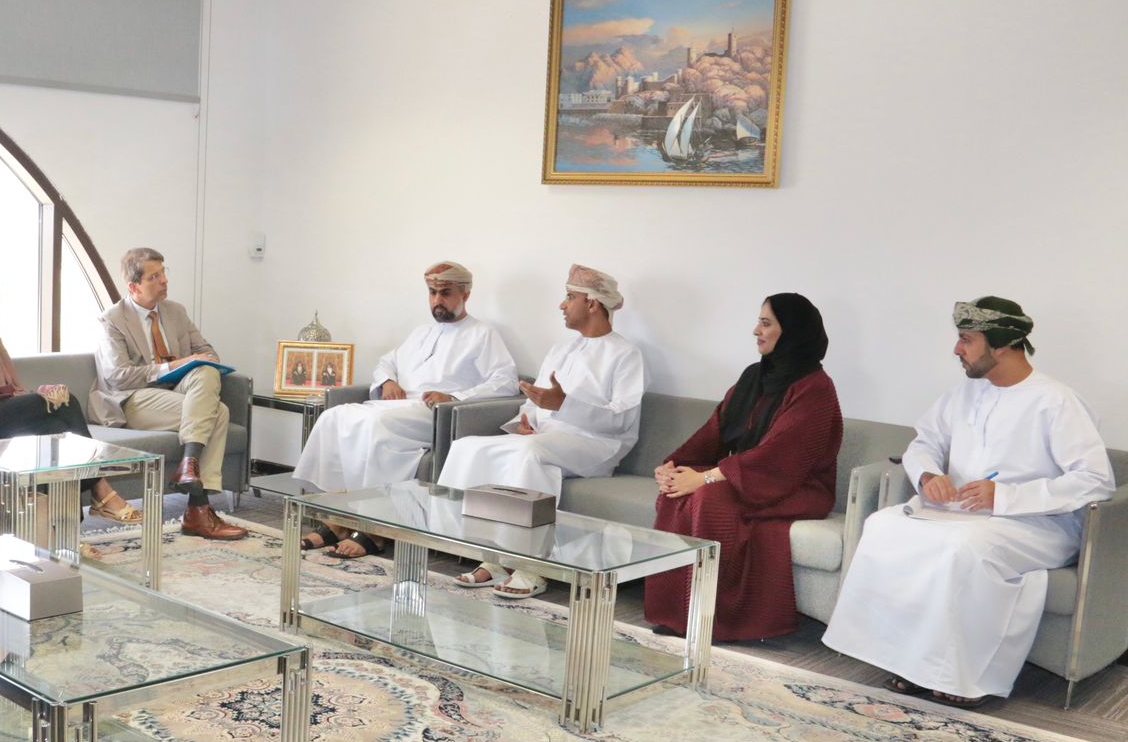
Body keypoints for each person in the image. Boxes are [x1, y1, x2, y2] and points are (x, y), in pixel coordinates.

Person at [822, 298, 1113, 708]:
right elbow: (924, 442)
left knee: (964, 548)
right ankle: (909, 661)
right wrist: (927, 474)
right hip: (962, 513)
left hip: (1039, 523)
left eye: (966, 340)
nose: (957, 350)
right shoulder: (965, 393)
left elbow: (1095, 480)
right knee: (884, 525)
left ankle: (959, 676)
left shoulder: (1056, 401)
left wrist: (1006, 496)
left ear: (1002, 345)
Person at [644, 293, 842, 641]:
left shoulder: (816, 388)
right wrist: (675, 466)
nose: (756, 330)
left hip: (799, 487)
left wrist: (705, 478)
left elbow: (779, 457)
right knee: (677, 493)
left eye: (766, 323)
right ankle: (678, 614)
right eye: (759, 321)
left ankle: (715, 619)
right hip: (751, 476)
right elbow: (715, 431)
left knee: (711, 499)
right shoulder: (755, 376)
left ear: (792, 331)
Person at [442, 266, 645, 599]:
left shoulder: (626, 355)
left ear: (592, 304)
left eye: (569, 298)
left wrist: (565, 404)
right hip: (549, 436)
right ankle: (491, 555)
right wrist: (526, 421)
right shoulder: (560, 350)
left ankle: (532, 564)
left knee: (529, 454)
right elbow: (535, 401)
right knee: (468, 446)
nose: (562, 306)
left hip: (597, 444)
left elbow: (621, 420)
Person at [294, 261, 518, 557]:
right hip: (397, 406)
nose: (437, 300)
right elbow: (388, 361)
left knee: (375, 427)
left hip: (435, 413)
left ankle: (375, 529)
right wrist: (387, 380)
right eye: (432, 293)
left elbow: (506, 382)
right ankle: (335, 518)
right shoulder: (421, 332)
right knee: (333, 416)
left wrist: (456, 396)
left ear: (465, 294)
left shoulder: (482, 334)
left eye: (445, 293)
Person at [0, 269, 141, 524]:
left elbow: (10, 386)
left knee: (55, 429)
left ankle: (63, 526)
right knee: (64, 402)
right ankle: (100, 488)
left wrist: (31, 395)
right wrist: (34, 396)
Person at [88, 248, 244, 540]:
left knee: (207, 372)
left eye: (164, 273)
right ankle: (199, 507)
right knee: (218, 412)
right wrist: (171, 366)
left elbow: (208, 352)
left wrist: (197, 362)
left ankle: (189, 469)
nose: (164, 281)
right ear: (134, 286)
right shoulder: (112, 320)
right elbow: (117, 376)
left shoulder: (175, 311)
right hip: (133, 397)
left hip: (177, 391)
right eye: (154, 276)